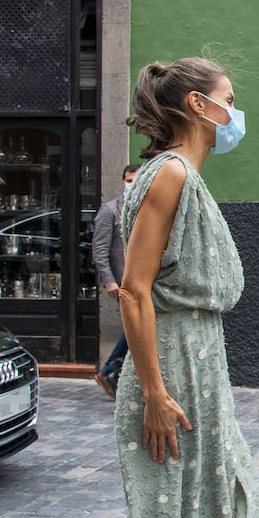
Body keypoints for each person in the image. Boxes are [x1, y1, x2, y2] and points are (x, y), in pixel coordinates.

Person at [115, 57, 259, 518]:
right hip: (171, 364)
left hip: (199, 361)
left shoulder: (186, 176)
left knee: (202, 505)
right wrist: (152, 390)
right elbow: (134, 288)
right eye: (230, 101)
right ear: (200, 105)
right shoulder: (171, 172)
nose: (237, 112)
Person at [92, 163, 142, 397]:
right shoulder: (110, 210)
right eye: (127, 180)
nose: (130, 184)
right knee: (136, 328)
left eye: (135, 180)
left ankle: (117, 374)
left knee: (138, 329)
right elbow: (100, 250)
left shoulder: (145, 208)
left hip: (145, 282)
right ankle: (108, 372)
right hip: (122, 284)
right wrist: (109, 281)